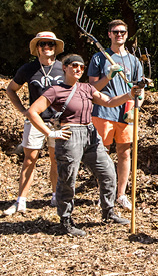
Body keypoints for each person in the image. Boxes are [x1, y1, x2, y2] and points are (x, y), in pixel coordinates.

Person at [26, 54, 140, 237]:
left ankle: (108, 211)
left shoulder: (87, 88)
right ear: (65, 68)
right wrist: (50, 133)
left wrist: (129, 94)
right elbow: (32, 111)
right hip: (70, 136)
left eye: (81, 66)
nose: (78, 69)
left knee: (108, 171)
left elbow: (109, 102)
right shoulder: (55, 90)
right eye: (74, 66)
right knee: (68, 179)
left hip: (91, 134)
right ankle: (65, 220)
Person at [4, 32, 65, 215]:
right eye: (42, 44)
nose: (47, 47)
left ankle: (55, 195)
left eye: (50, 44)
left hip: (58, 121)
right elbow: (11, 89)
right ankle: (21, 200)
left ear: (55, 48)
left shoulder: (63, 68)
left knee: (55, 160)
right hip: (36, 121)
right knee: (30, 159)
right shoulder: (28, 69)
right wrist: (23, 110)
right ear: (37, 48)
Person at [88, 19, 144, 211]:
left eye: (122, 31)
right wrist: (109, 76)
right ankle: (103, 194)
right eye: (115, 32)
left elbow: (140, 89)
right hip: (103, 111)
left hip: (126, 113)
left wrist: (137, 104)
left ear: (127, 35)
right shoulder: (99, 58)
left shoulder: (134, 61)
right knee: (101, 154)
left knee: (124, 153)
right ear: (109, 34)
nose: (119, 34)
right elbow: (92, 89)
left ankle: (120, 194)